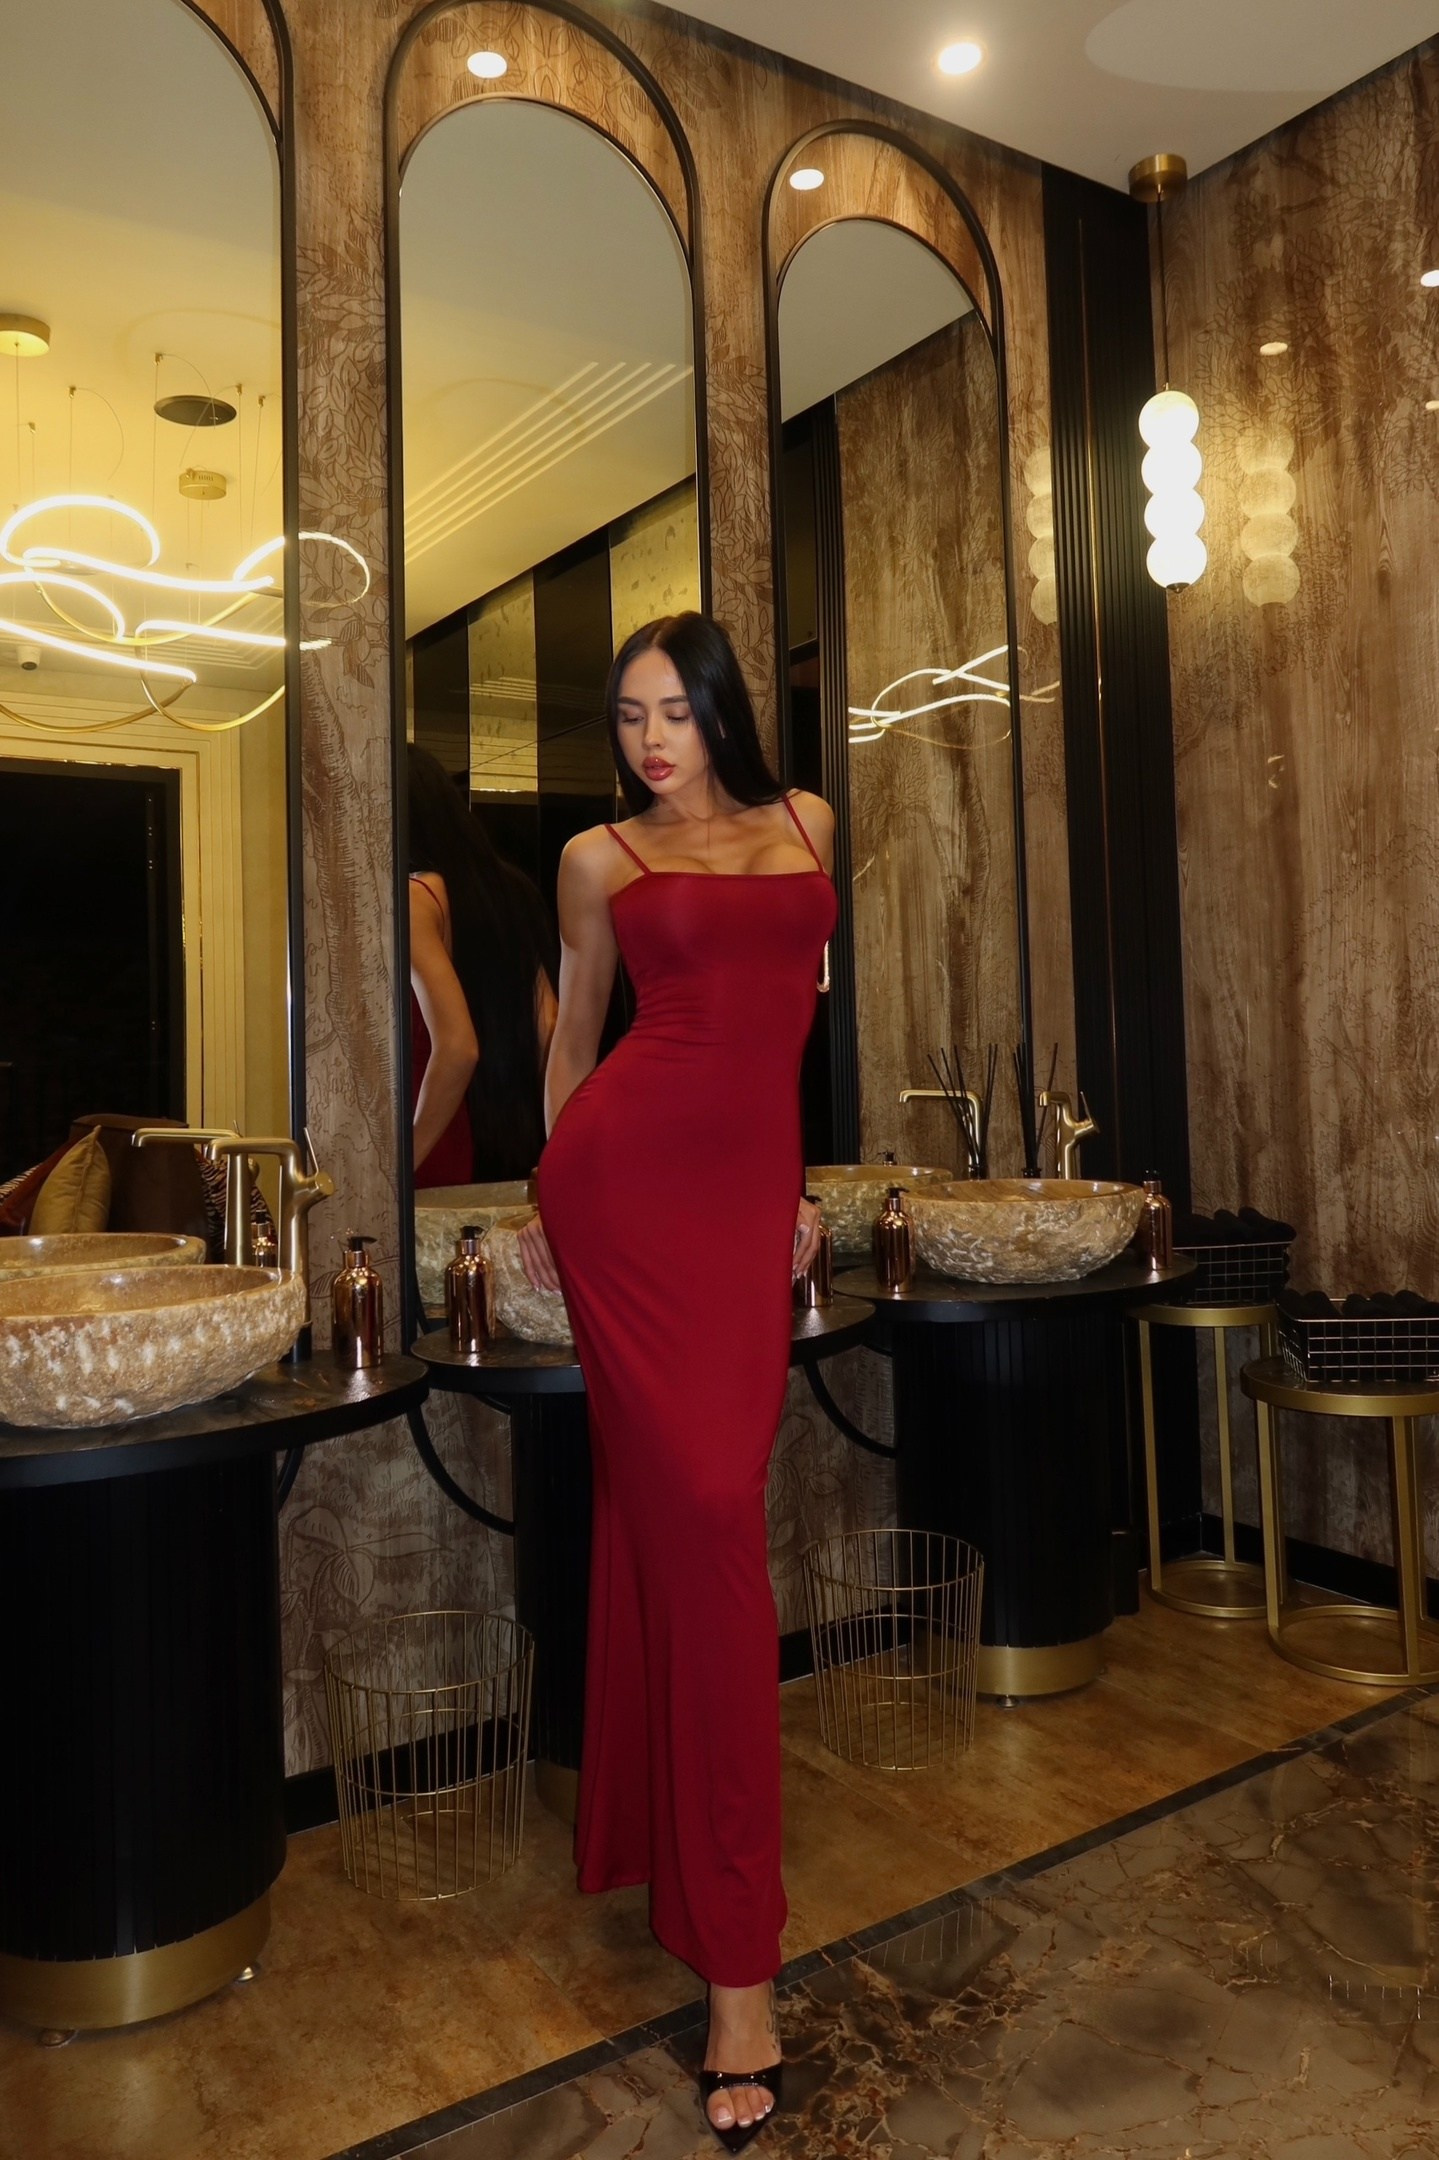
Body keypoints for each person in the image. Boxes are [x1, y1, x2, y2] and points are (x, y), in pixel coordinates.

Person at [517, 614, 835, 2152]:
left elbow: (787, 1038)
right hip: (623, 1203)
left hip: (738, 1205)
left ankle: (663, 1847)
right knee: (709, 1527)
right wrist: (554, 1203)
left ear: (721, 711)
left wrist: (789, 1189)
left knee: (683, 1529)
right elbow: (576, 1046)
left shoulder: (811, 822)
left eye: (674, 712)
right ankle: (736, 1975)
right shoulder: (598, 858)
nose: (650, 741)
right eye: (628, 717)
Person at [406, 745, 558, 1184]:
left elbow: (458, 1047)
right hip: (501, 1139)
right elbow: (549, 1028)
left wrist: (396, 1168)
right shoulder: (510, 889)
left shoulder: (414, 899)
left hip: (429, 1135)